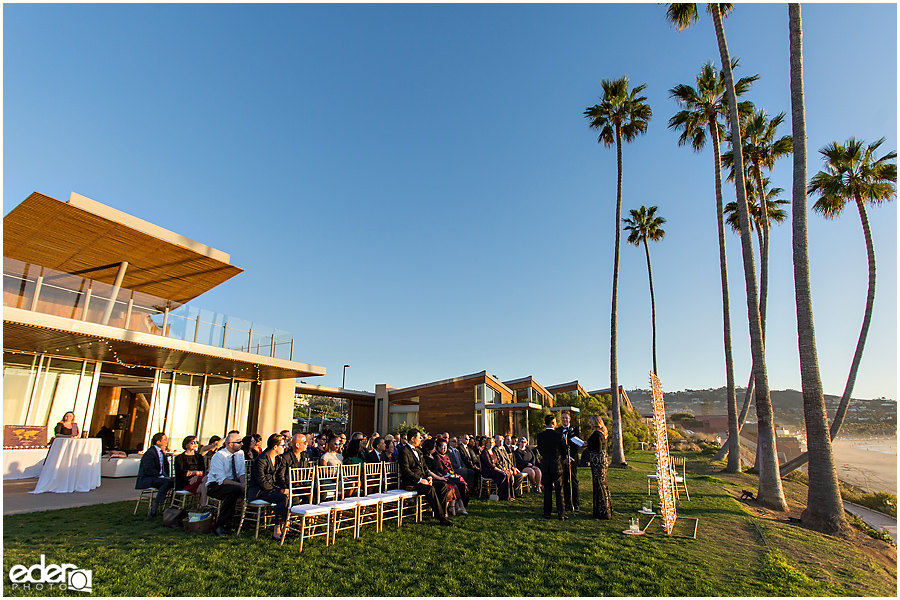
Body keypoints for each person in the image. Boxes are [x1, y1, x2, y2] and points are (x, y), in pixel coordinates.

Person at [398, 428, 453, 526]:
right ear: (412, 439)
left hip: (424, 480)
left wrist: (429, 478)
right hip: (412, 481)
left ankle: (442, 511)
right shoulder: (404, 451)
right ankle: (441, 517)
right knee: (430, 489)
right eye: (419, 438)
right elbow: (405, 470)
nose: (420, 440)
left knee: (443, 486)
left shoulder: (418, 451)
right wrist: (420, 480)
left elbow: (425, 467)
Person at [249, 433, 290, 541]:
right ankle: (277, 531)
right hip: (259, 490)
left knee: (287, 495)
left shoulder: (277, 459)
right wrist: (280, 490)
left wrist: (285, 488)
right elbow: (261, 482)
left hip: (271, 488)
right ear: (275, 447)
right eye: (282, 445)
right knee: (282, 498)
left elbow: (279, 477)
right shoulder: (261, 460)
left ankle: (286, 527)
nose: (284, 447)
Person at [206, 432, 246, 535]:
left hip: (233, 483)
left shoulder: (240, 454)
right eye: (238, 442)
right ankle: (221, 524)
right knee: (234, 491)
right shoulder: (219, 456)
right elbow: (222, 480)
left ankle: (246, 521)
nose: (241, 444)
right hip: (216, 485)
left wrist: (244, 484)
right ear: (230, 444)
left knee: (250, 487)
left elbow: (241, 472)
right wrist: (240, 486)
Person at [135, 432, 174, 518]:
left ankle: (172, 506)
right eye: (165, 439)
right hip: (150, 478)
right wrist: (162, 476)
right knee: (166, 483)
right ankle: (155, 507)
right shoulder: (150, 453)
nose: (167, 441)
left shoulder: (161, 452)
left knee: (176, 481)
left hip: (160, 477)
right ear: (158, 442)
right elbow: (148, 469)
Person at [537, 415, 567, 520]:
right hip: (557, 464)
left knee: (547, 490)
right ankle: (561, 513)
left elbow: (540, 450)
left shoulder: (540, 436)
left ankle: (547, 513)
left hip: (546, 465)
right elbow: (564, 450)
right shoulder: (559, 436)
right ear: (553, 423)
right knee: (559, 490)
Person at [429, 438, 469, 516]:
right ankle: (456, 506)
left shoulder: (446, 455)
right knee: (455, 485)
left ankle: (460, 505)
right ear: (438, 447)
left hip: (451, 475)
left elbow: (451, 467)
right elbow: (440, 469)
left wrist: (454, 474)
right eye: (443, 447)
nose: (444, 448)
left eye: (446, 446)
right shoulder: (437, 456)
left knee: (462, 482)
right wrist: (450, 475)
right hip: (443, 476)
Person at [586, 414, 613, 519]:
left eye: (590, 422)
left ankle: (602, 510)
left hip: (598, 462)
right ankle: (606, 508)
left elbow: (597, 448)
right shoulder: (603, 433)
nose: (590, 425)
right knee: (602, 483)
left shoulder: (597, 434)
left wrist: (588, 445)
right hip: (603, 461)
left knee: (599, 485)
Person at [557, 410, 582, 512]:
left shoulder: (575, 429)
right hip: (562, 460)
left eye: (566, 418)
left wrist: (570, 457)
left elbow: (577, 445)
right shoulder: (558, 430)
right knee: (564, 481)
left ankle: (575, 503)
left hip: (572, 459)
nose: (564, 420)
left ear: (569, 419)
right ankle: (566, 502)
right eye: (563, 418)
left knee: (573, 480)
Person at [174, 435, 208, 506]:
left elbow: (203, 470)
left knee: (204, 484)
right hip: (185, 482)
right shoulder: (180, 458)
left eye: (196, 442)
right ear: (186, 445)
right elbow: (180, 472)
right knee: (205, 482)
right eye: (192, 443)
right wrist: (195, 473)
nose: (195, 444)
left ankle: (202, 506)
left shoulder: (199, 457)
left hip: (198, 480)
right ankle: (203, 506)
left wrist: (196, 477)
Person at [479, 436, 514, 501]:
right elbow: (490, 465)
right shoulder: (484, 452)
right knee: (503, 475)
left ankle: (509, 495)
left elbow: (497, 463)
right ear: (486, 443)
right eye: (489, 442)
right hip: (488, 471)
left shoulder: (493, 452)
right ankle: (502, 495)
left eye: (492, 442)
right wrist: (500, 471)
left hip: (495, 470)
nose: (491, 444)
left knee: (507, 474)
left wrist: (503, 469)